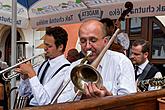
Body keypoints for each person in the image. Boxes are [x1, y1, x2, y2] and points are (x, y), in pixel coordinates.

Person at [57, 19, 136, 103]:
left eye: (93, 40)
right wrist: (77, 92)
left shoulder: (121, 62)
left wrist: (108, 97)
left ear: (105, 41)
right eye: (83, 41)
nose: (87, 46)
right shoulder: (74, 66)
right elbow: (61, 101)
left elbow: (129, 103)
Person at [16, 26, 70, 106]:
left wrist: (31, 74)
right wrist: (25, 78)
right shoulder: (43, 64)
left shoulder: (65, 69)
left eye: (49, 46)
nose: (45, 48)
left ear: (60, 47)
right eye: (44, 44)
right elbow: (24, 94)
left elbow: (44, 101)